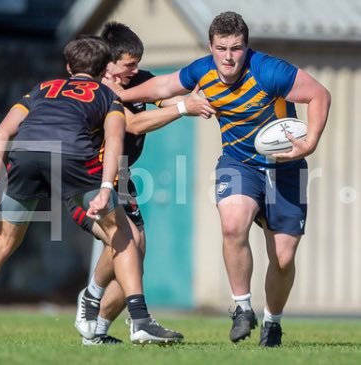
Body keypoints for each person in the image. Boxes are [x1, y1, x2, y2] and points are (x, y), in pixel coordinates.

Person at [116, 12, 331, 347]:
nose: (229, 56)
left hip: (285, 167)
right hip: (238, 163)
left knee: (284, 257)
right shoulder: (202, 70)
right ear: (211, 47)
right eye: (222, 48)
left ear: (246, 46)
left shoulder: (269, 70)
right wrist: (115, 94)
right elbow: (162, 85)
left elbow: (319, 94)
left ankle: (272, 324)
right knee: (233, 223)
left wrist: (312, 140)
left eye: (236, 48)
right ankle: (242, 308)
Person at [0, 35, 184, 345]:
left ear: (69, 66)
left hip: (27, 154)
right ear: (103, 68)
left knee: (3, 241)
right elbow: (114, 141)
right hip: (73, 159)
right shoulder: (106, 95)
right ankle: (139, 320)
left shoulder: (41, 89)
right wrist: (106, 188)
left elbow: (2, 131)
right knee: (125, 236)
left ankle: (102, 317)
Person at [70, 23, 215, 345]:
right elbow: (132, 124)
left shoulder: (138, 80)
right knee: (125, 241)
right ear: (106, 62)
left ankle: (97, 331)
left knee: (134, 254)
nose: (133, 72)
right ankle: (93, 299)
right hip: (86, 179)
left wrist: (193, 100)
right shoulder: (96, 89)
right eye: (128, 65)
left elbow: (165, 98)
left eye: (137, 65)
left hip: (122, 178)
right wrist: (182, 108)